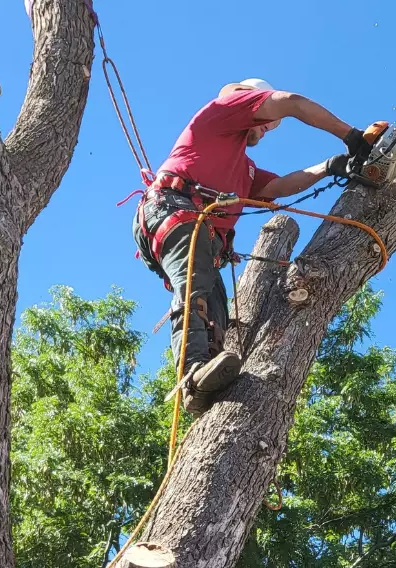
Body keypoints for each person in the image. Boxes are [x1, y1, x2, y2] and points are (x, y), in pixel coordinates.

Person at [132, 78, 377, 415]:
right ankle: (190, 368)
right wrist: (352, 137)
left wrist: (329, 166)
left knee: (215, 309)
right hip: (175, 211)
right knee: (197, 286)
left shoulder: (244, 168)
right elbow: (292, 102)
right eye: (264, 126)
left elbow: (277, 186)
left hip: (196, 231)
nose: (264, 132)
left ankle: (201, 385)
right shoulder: (222, 111)